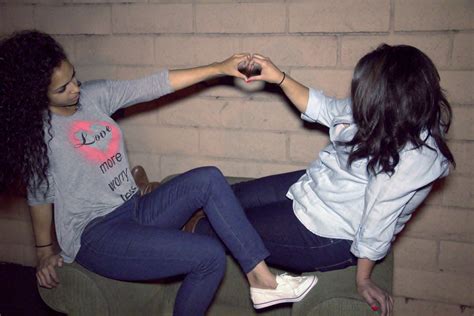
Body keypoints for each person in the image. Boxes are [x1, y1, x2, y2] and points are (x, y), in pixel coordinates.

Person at [0, 30, 318, 316]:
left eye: (74, 77)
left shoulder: (93, 97)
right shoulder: (39, 135)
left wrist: (218, 68)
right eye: (62, 88)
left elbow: (152, 86)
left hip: (134, 209)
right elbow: (40, 195)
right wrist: (44, 252)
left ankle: (260, 279)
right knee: (208, 256)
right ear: (36, 94)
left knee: (208, 177)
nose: (75, 89)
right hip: (96, 234)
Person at [192, 44, 455, 316]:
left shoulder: (417, 160)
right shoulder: (385, 111)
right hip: (316, 187)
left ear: (390, 101)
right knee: (226, 196)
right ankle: (163, 198)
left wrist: (363, 278)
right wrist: (278, 77)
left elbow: (378, 220)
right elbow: (326, 108)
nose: (356, 98)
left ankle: (157, 232)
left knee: (217, 227)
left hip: (328, 231)